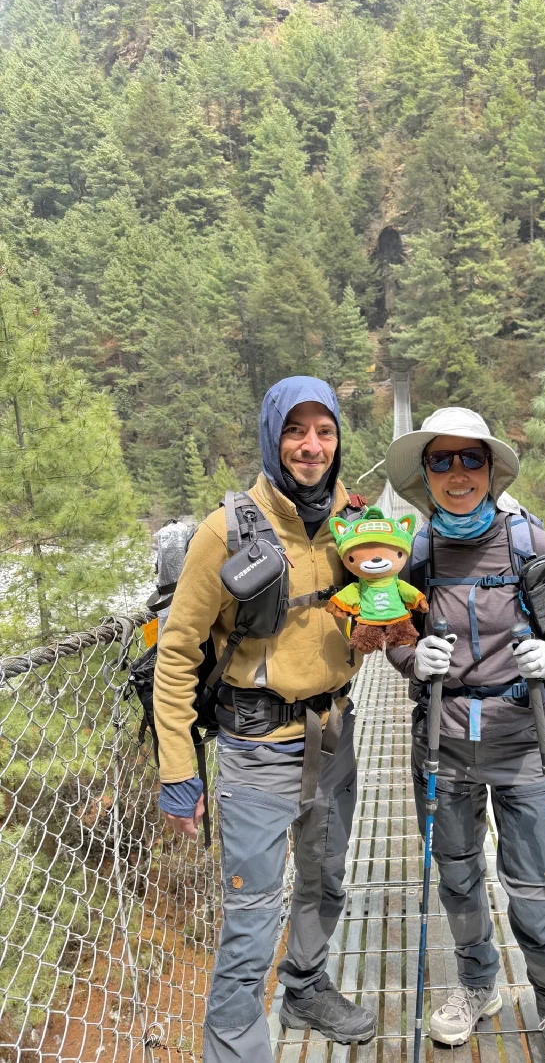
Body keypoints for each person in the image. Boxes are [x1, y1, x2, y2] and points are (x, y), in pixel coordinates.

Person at [153, 376, 377, 1063]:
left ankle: (306, 985)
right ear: (272, 436)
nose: (311, 446)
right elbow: (177, 653)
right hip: (255, 750)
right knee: (251, 920)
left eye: (325, 431)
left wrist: (377, 633)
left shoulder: (353, 519)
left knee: (327, 881)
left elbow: (374, 602)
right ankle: (234, 1050)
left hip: (335, 735)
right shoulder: (227, 531)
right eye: (296, 430)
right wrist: (178, 770)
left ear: (338, 441)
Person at [384, 406, 545, 1063]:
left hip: (520, 743)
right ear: (427, 474)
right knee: (460, 878)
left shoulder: (532, 544)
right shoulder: (417, 551)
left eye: (470, 458)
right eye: (441, 460)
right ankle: (477, 986)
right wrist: (414, 659)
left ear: (492, 468)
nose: (457, 472)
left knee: (535, 887)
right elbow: (395, 635)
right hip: (443, 745)